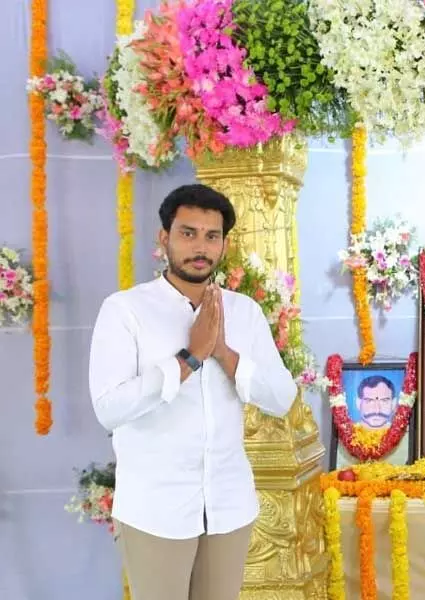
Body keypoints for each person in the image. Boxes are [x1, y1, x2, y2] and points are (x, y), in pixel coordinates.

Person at [88, 184, 297, 600]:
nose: (200, 246)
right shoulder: (125, 310)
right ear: (164, 237)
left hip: (228, 503)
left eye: (211, 236)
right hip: (156, 507)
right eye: (188, 233)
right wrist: (190, 358)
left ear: (224, 244)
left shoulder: (244, 312)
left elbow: (281, 397)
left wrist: (223, 352)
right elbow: (109, 408)